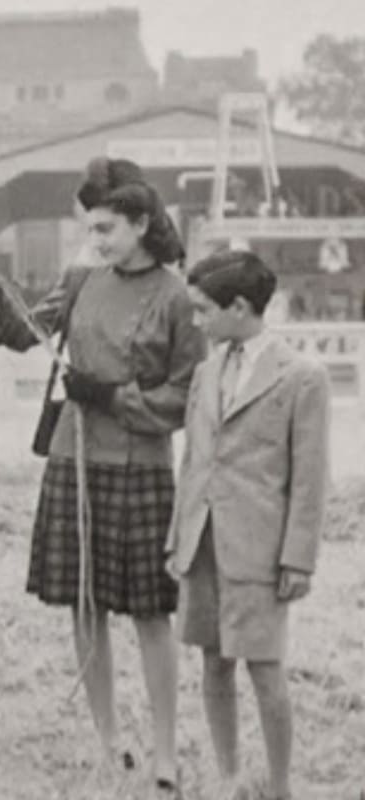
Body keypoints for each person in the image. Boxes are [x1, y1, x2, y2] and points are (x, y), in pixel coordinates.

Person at [0, 157, 206, 793]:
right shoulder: (80, 278)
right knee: (85, 605)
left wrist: (116, 398)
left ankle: (166, 752)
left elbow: (187, 395)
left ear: (142, 224)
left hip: (141, 463)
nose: (94, 242)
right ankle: (109, 741)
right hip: (74, 458)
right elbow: (25, 331)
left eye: (105, 230)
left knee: (151, 612)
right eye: (90, 231)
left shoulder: (178, 296)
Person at [168, 250, 330, 800]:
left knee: (264, 672)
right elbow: (193, 459)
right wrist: (178, 538)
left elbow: (310, 477)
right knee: (213, 664)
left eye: (203, 310)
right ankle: (230, 778)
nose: (197, 322)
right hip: (203, 543)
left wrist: (298, 558)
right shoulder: (207, 371)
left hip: (260, 552)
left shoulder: (302, 377)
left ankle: (280, 788)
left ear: (239, 307)